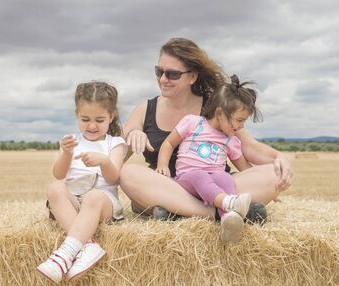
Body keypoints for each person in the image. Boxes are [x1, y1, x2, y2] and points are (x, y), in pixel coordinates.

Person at [120, 37, 292, 223]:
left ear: (192, 77)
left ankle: (179, 212)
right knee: (128, 174)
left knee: (273, 174)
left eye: (172, 74)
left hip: (216, 184)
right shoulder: (145, 109)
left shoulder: (215, 106)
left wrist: (279, 158)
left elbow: (249, 147)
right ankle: (218, 213)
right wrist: (131, 133)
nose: (163, 79)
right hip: (167, 188)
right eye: (159, 71)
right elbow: (116, 157)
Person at [37, 81, 126, 283]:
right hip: (75, 201)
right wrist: (67, 153)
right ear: (77, 115)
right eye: (85, 119)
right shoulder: (71, 141)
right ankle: (88, 246)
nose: (92, 125)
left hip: (103, 202)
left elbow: (114, 178)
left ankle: (65, 254)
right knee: (54, 189)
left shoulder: (115, 143)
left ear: (111, 117)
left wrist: (103, 161)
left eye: (99, 119)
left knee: (93, 196)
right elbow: (58, 174)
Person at [156, 74, 260, 241]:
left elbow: (244, 167)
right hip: (187, 180)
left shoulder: (231, 139)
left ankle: (229, 219)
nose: (241, 126)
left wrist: (266, 181)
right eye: (239, 120)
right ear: (219, 113)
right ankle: (228, 203)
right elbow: (168, 144)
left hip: (214, 183)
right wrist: (162, 164)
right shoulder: (193, 123)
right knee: (200, 175)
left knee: (226, 178)